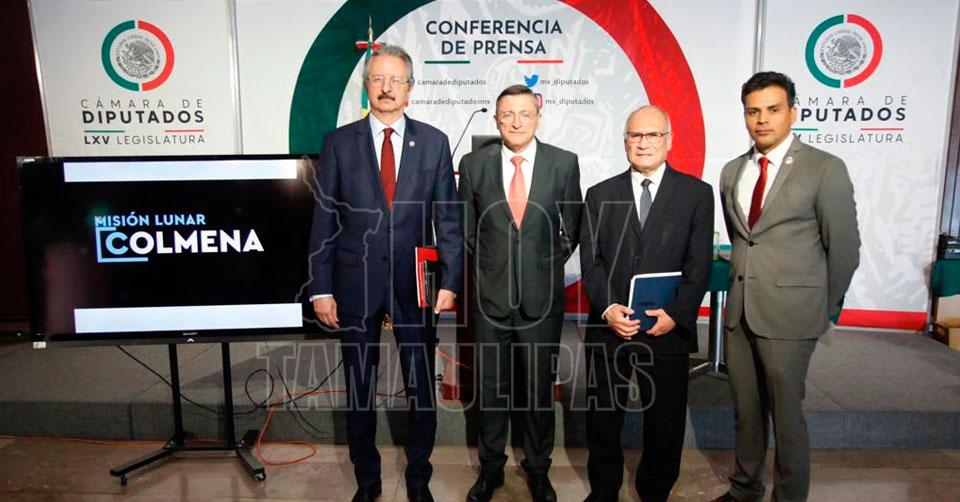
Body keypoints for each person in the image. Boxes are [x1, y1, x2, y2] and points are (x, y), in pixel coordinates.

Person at [307, 44, 463, 502]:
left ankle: (418, 481)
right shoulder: (339, 143)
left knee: (420, 387)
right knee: (360, 387)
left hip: (416, 287)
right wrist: (320, 288)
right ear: (367, 87)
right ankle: (367, 481)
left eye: (396, 79)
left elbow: (448, 220)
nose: (387, 87)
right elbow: (324, 219)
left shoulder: (433, 142)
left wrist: (451, 280)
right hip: (354, 285)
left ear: (410, 89)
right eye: (378, 78)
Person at [712, 71, 860, 502]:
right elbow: (744, 240)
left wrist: (818, 310)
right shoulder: (732, 171)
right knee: (746, 412)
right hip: (740, 313)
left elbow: (844, 250)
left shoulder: (824, 168)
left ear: (793, 112)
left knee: (787, 418)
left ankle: (789, 496)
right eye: (753, 111)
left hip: (792, 317)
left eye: (773, 110)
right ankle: (745, 488)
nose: (762, 120)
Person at [579, 105, 713, 502]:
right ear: (625, 141)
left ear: (669, 141)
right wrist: (608, 308)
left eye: (653, 135)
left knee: (665, 422)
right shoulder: (600, 194)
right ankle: (604, 491)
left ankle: (654, 491)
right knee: (603, 419)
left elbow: (699, 263)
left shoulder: (696, 194)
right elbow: (591, 260)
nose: (643, 143)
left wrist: (676, 314)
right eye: (635, 135)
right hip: (611, 327)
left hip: (666, 328)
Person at [457, 84, 582, 502]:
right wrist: (494, 268)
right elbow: (467, 230)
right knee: (490, 389)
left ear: (538, 118)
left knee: (538, 391)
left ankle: (538, 468)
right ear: (496, 119)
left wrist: (541, 265)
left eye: (524, 114)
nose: (515, 122)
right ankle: (490, 468)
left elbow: (572, 229)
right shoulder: (473, 165)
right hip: (490, 300)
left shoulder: (563, 163)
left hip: (540, 301)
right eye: (507, 114)